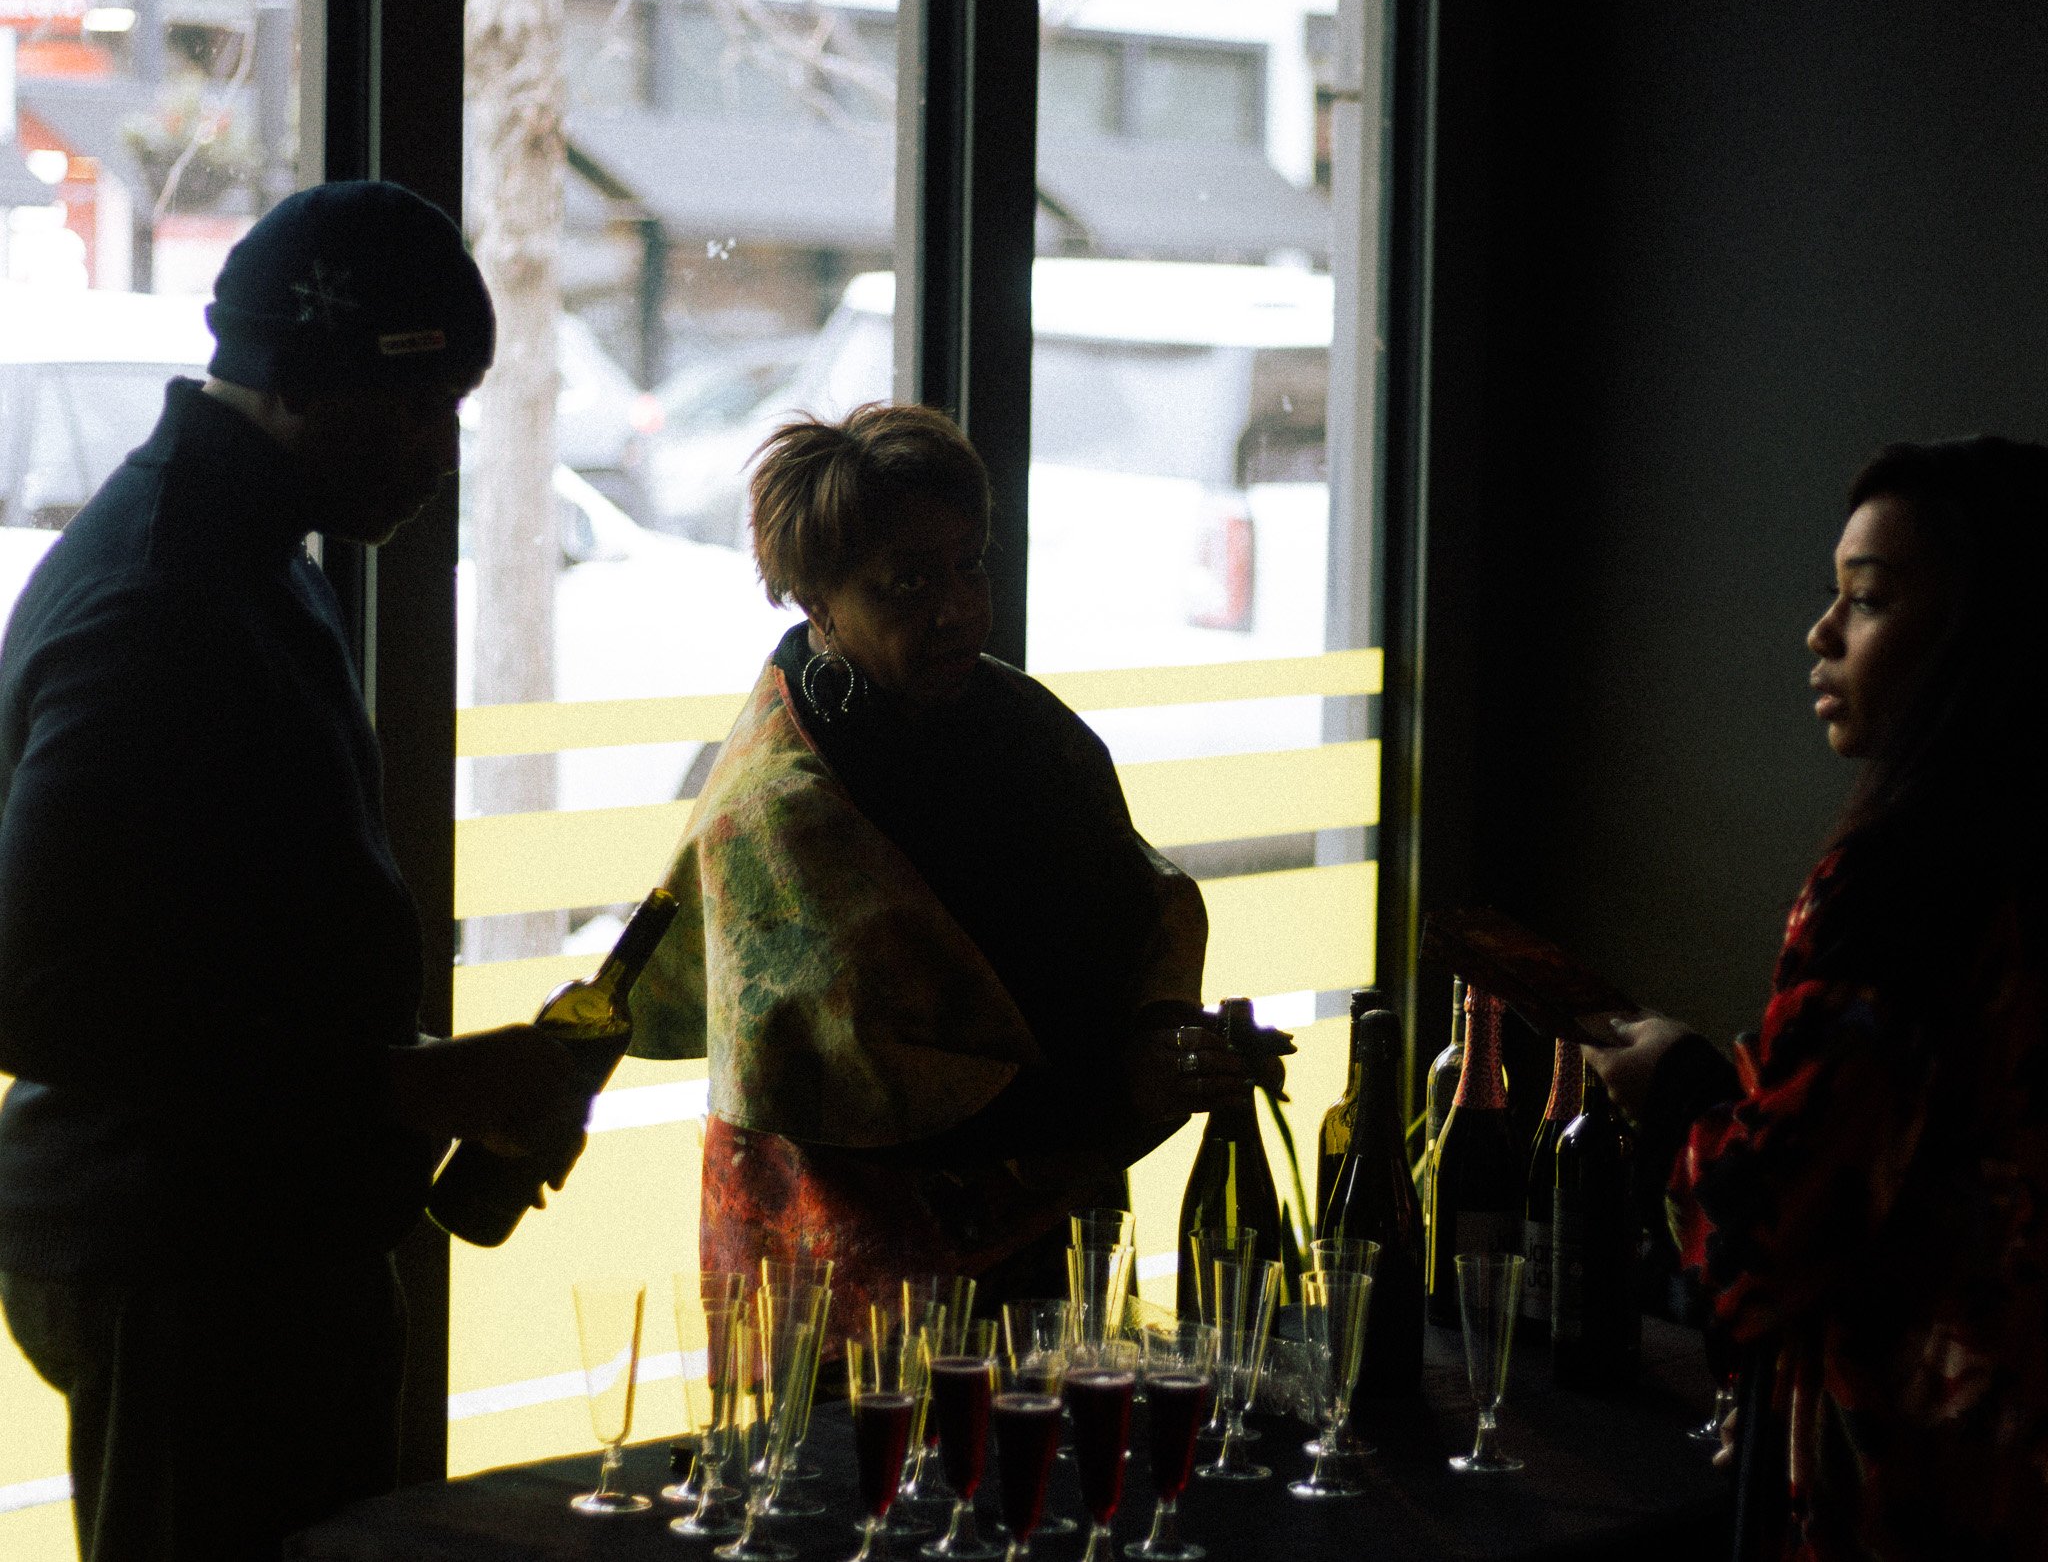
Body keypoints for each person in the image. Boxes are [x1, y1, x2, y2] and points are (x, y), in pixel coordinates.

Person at [0, 181, 591, 1562]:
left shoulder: (237, 553)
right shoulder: (161, 601)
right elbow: (37, 994)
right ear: (305, 383)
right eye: (416, 407)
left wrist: (421, 1078)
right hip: (187, 1269)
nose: (441, 451)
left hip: (226, 1253)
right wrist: (412, 1086)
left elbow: (222, 943)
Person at [630, 402, 1283, 1334]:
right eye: (908, 583)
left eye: (968, 566)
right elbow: (872, 1077)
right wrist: (1124, 1090)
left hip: (1046, 1235)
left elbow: (1140, 898)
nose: (959, 608)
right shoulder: (779, 808)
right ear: (818, 600)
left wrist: (1166, 1032)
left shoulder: (1012, 715)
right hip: (859, 1281)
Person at [1591, 436, 2048, 1560]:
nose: (1821, 633)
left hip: (1926, 1489)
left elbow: (1776, 1229)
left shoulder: (1894, 888)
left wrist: (1675, 1087)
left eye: (1868, 599)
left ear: (1981, 637)